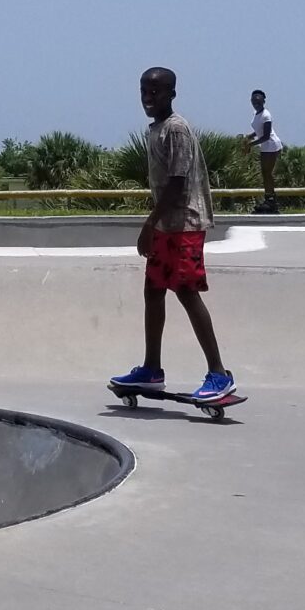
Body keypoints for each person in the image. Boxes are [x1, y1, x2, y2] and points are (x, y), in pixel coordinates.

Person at [110, 66, 237, 403]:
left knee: (186, 291)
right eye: (144, 92)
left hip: (184, 223)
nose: (149, 99)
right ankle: (152, 369)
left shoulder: (176, 130)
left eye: (156, 92)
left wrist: (149, 224)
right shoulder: (157, 129)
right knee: (153, 290)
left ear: (171, 94)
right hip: (168, 224)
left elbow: (178, 183)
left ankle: (219, 375)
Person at [242, 88, 283, 214]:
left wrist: (250, 144)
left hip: (271, 145)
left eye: (258, 100)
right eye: (254, 100)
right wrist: (250, 136)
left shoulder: (266, 115)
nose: (256, 103)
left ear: (263, 101)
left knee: (268, 173)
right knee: (265, 173)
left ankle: (271, 200)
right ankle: (269, 198)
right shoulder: (257, 114)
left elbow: (266, 135)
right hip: (265, 146)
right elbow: (259, 131)